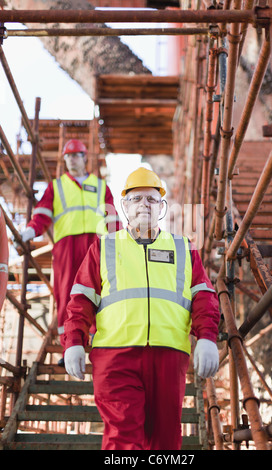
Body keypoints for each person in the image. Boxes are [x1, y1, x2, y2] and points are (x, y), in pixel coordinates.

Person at [64, 167, 220, 450]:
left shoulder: (183, 248)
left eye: (150, 199)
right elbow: (82, 299)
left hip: (169, 356)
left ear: (161, 207)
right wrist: (73, 341)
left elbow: (204, 297)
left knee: (164, 442)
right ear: (124, 206)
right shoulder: (105, 247)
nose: (143, 206)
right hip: (115, 357)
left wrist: (207, 337)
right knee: (123, 437)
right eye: (136, 199)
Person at [20, 138, 122, 356]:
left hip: (96, 244)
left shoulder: (101, 186)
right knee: (66, 292)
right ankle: (70, 344)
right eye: (68, 156)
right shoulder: (56, 186)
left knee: (100, 290)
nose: (71, 160)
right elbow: (42, 214)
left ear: (84, 158)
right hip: (66, 245)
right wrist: (30, 231)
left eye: (76, 155)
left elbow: (111, 216)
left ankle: (97, 341)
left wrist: (120, 242)